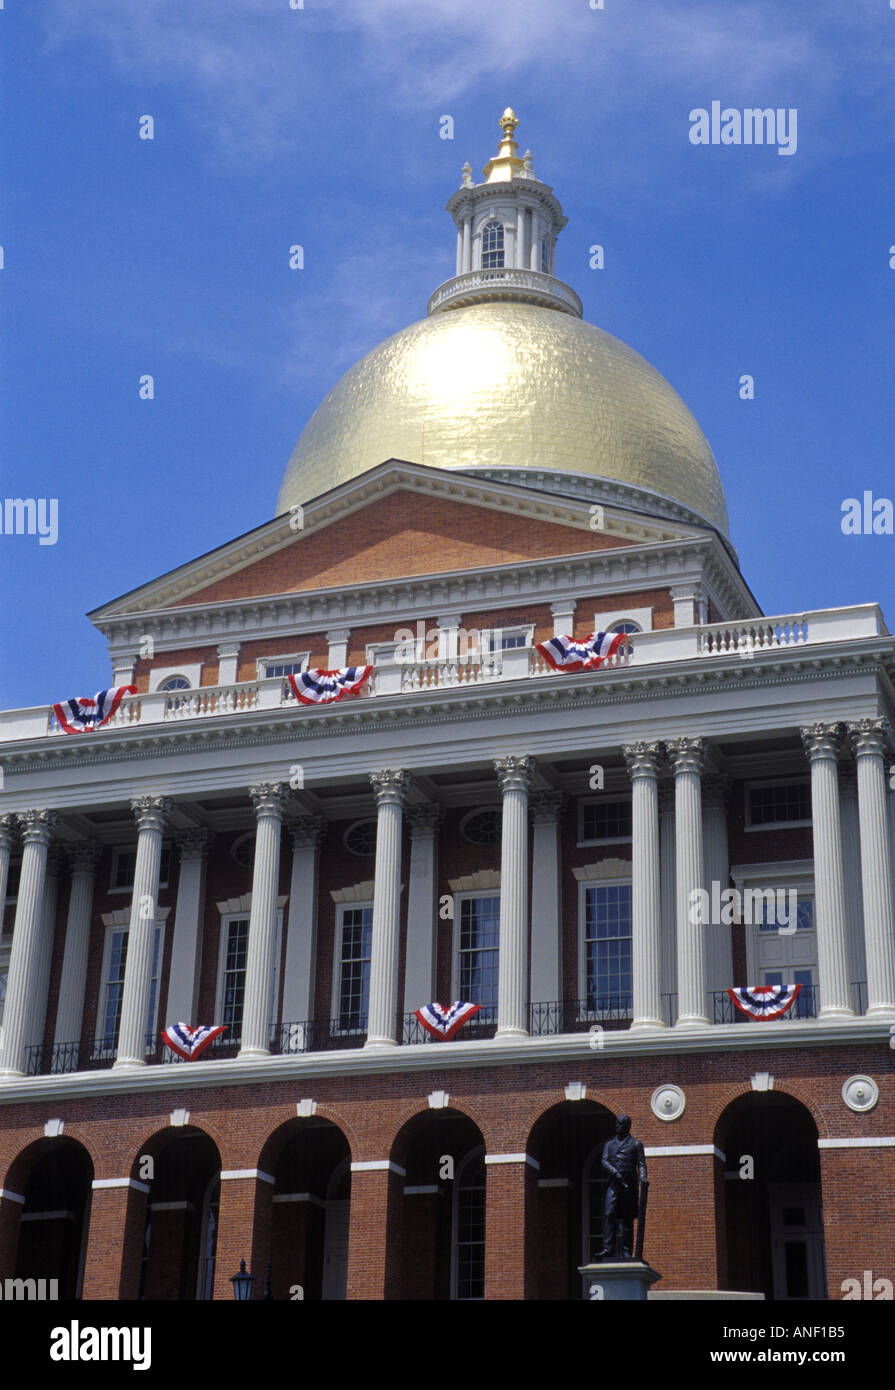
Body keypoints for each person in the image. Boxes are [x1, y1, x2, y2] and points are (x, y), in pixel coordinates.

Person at [598, 1113, 648, 1259]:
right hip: (614, 1184)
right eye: (616, 1123)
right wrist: (614, 1172)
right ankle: (608, 1248)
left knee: (627, 1219)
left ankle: (627, 1251)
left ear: (627, 1126)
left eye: (620, 1124)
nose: (617, 1126)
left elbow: (641, 1164)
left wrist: (643, 1177)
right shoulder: (609, 1144)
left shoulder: (636, 1144)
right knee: (609, 1213)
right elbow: (604, 1161)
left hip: (628, 1185)